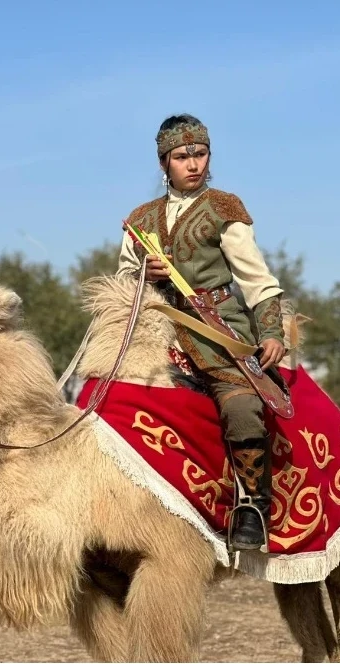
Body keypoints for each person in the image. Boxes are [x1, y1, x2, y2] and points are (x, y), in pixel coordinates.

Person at [118, 113, 286, 551]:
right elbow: (120, 286)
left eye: (200, 153)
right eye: (181, 156)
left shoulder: (224, 207)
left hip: (217, 331)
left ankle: (252, 506)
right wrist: (145, 273)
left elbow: (257, 280)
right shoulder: (139, 221)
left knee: (243, 405)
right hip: (156, 334)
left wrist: (270, 333)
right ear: (164, 163)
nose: (192, 164)